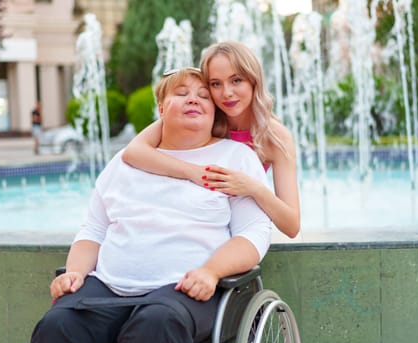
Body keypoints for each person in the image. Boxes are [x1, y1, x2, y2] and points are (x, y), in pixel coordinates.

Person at [28, 67, 271, 343]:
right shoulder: (123, 162)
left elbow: (253, 232)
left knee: (155, 324)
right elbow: (94, 230)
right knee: (59, 324)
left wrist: (211, 272)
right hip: (108, 288)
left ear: (215, 111)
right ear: (160, 108)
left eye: (204, 96)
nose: (193, 99)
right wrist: (75, 272)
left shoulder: (235, 157)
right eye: (181, 94)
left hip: (183, 292)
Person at [122, 41, 300, 238]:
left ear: (253, 80)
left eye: (236, 80)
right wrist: (194, 173)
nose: (227, 93)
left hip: (242, 231)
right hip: (194, 222)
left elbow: (292, 226)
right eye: (216, 84)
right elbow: (133, 152)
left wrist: (253, 187)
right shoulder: (202, 117)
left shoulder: (275, 136)